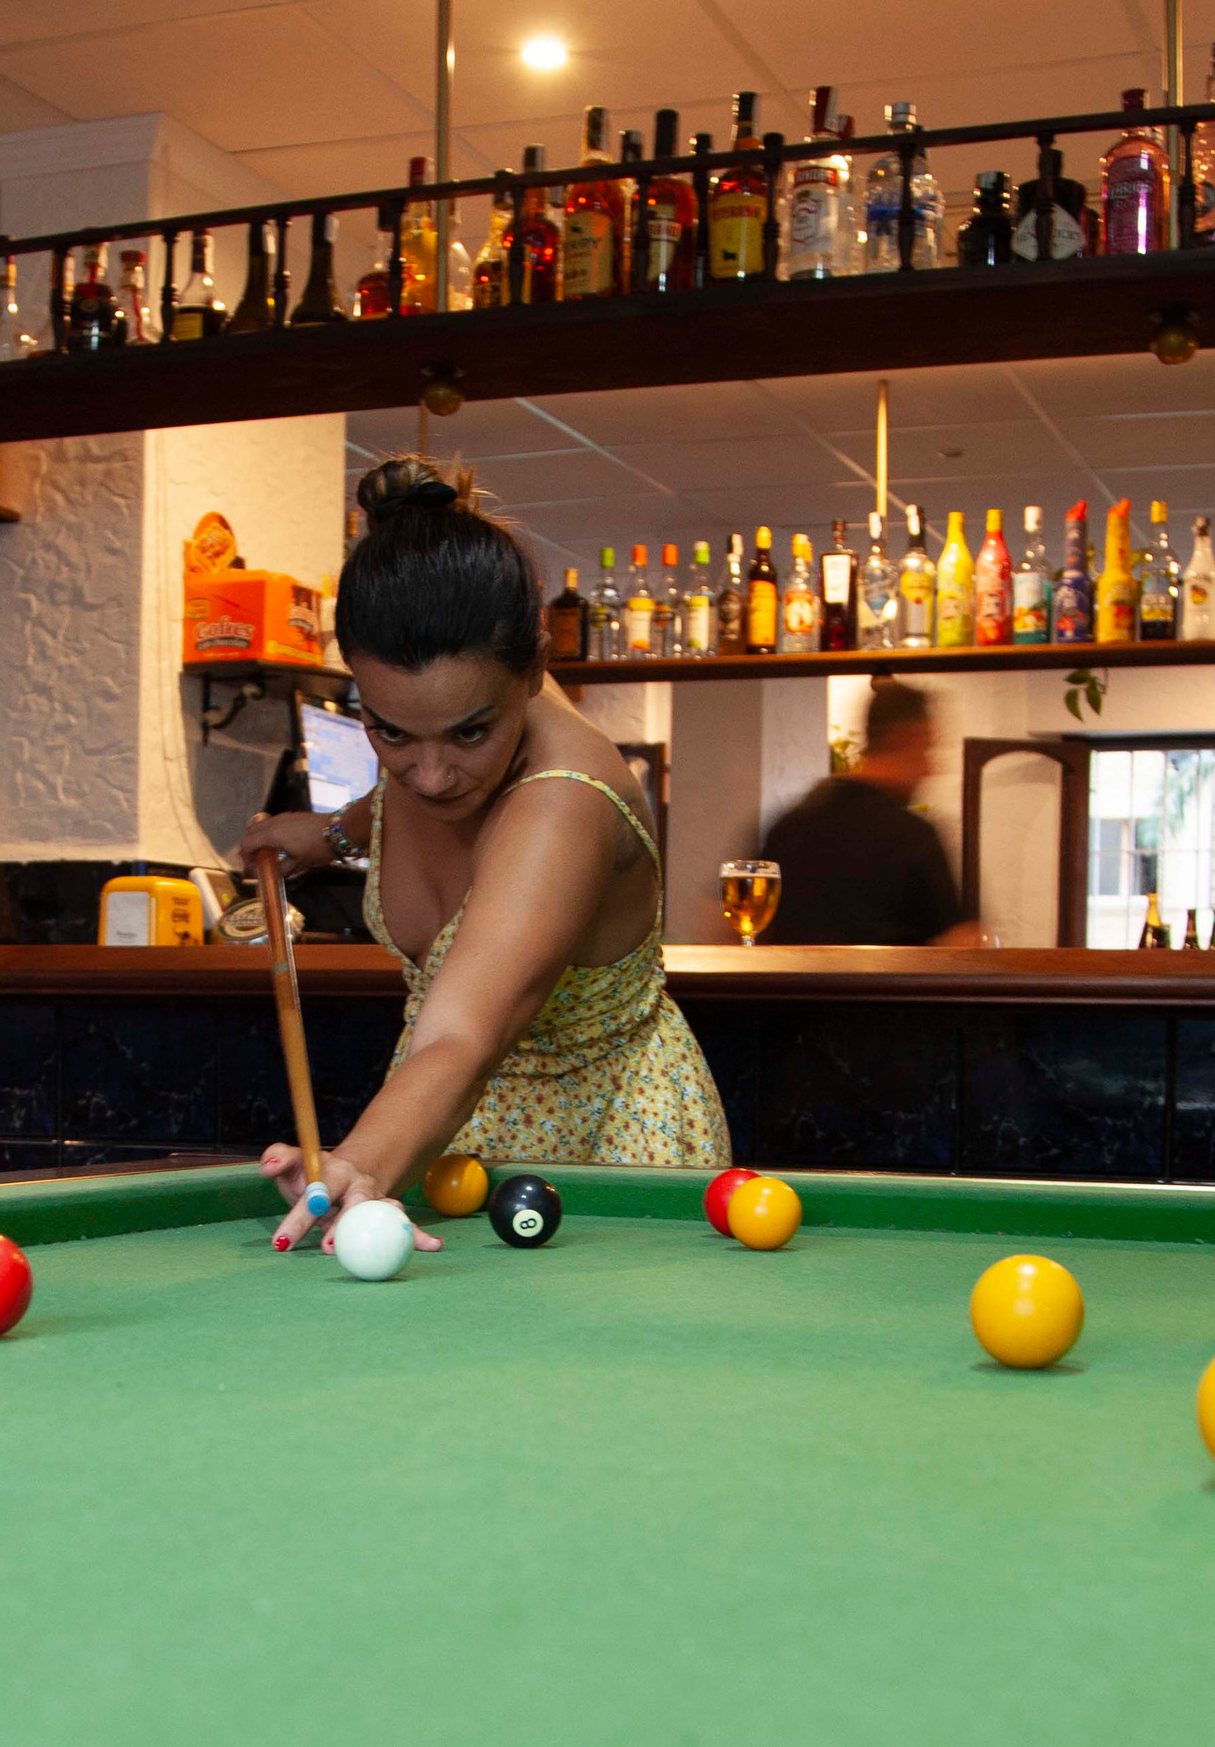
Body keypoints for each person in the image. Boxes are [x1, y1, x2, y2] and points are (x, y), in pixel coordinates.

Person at [236, 459, 727, 1243]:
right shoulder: (440, 756)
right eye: (389, 731)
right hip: (445, 1147)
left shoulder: (565, 803)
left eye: (470, 731)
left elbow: (464, 1031)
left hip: (604, 1161)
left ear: (534, 672)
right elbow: (402, 799)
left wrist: (358, 1161)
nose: (428, 776)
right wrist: (329, 835)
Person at [763, 681, 965, 943]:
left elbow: (729, 929)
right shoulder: (912, 837)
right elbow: (958, 946)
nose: (931, 769)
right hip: (888, 984)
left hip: (792, 983)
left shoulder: (789, 825)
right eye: (928, 749)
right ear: (905, 739)